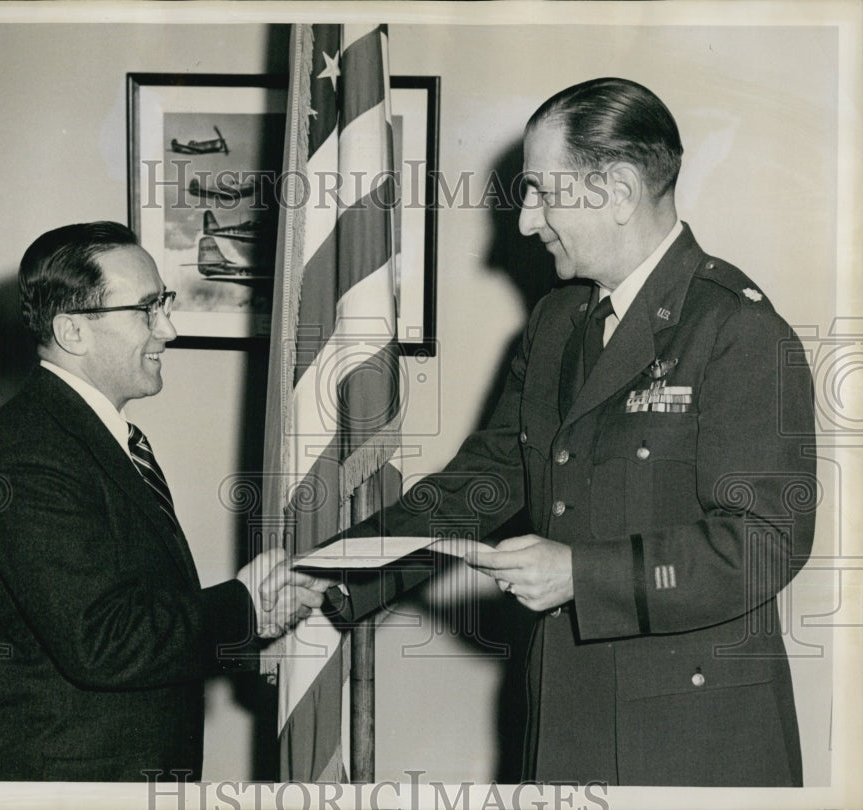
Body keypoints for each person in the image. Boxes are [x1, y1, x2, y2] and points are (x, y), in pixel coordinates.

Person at [339, 78, 816, 786]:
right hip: (566, 714)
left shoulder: (735, 329)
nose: (527, 220)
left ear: (617, 191)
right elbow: (490, 476)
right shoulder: (558, 323)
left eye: (541, 191)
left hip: (692, 742)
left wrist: (579, 574)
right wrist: (340, 575)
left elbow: (765, 542)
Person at [0, 221, 325, 781]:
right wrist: (244, 605)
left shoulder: (89, 434)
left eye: (165, 304)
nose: (169, 330)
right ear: (73, 331)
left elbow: (133, 607)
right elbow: (102, 640)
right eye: (148, 310)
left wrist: (254, 612)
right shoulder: (29, 454)